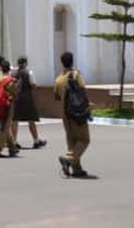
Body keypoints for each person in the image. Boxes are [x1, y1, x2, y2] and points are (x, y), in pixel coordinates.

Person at [54, 51, 91, 179]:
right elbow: (82, 90)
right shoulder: (76, 75)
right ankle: (68, 158)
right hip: (77, 113)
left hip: (66, 114)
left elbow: (57, 96)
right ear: (72, 61)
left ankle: (77, 169)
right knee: (84, 140)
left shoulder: (59, 79)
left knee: (72, 141)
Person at [0, 65, 21, 158]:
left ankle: (12, 147)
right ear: (9, 70)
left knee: (6, 125)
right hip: (8, 105)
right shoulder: (10, 81)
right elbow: (15, 94)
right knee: (5, 127)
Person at [13, 57, 45, 149]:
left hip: (16, 98)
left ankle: (14, 141)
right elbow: (34, 85)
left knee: (15, 120)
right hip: (27, 98)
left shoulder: (14, 73)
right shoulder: (29, 72)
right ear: (26, 63)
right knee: (31, 120)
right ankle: (36, 140)